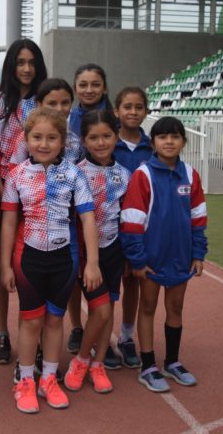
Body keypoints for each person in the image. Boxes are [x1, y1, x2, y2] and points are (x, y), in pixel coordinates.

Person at [0, 107, 102, 413]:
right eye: (37, 137)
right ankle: (25, 382)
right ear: (27, 139)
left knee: (55, 320)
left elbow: (87, 220)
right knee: (31, 321)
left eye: (51, 138)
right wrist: (4, 265)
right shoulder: (16, 175)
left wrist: (93, 263)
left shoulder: (74, 174)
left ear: (62, 142)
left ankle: (48, 380)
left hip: (64, 259)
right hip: (27, 258)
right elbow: (7, 222)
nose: (44, 144)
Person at [119, 116, 208, 393]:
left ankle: (172, 361)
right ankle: (148, 365)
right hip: (152, 258)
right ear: (153, 143)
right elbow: (132, 221)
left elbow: (198, 218)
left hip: (180, 257)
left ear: (183, 141)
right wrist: (138, 259)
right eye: (162, 137)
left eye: (175, 136)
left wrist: (198, 253)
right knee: (147, 307)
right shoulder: (143, 175)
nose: (169, 141)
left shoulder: (191, 175)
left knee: (176, 308)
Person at [0, 39, 48, 365]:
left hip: (39, 193)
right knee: (2, 263)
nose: (26, 68)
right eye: (20, 62)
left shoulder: (44, 102)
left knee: (35, 263)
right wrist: (0, 185)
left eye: (32, 62)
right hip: (5, 192)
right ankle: (0, 332)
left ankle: (32, 333)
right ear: (11, 65)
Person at [63, 110, 131, 394]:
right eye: (93, 137)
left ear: (116, 136)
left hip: (113, 249)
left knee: (108, 308)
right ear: (84, 140)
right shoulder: (75, 172)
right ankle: (80, 360)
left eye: (106, 136)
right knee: (100, 311)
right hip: (85, 252)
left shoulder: (125, 174)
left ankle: (99, 363)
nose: (101, 142)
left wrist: (127, 255)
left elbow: (127, 217)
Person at [66, 64, 119, 368]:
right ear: (76, 88)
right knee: (76, 277)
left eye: (95, 84)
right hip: (76, 202)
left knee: (107, 285)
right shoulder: (70, 118)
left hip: (106, 212)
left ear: (104, 87)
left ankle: (103, 339)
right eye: (83, 84)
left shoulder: (112, 119)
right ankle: (77, 327)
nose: (89, 89)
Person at [111, 86, 152, 370]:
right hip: (112, 227)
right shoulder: (108, 144)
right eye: (127, 106)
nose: (133, 112)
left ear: (145, 112)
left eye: (138, 107)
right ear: (117, 111)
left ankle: (126, 337)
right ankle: (103, 338)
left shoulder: (153, 147)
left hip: (142, 229)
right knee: (110, 284)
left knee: (135, 282)